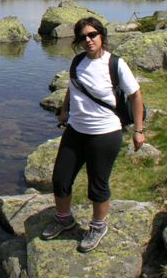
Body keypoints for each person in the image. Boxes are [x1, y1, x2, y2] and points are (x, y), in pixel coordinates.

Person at [41, 16, 145, 252]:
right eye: (83, 37)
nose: (88, 40)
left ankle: (98, 226)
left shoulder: (116, 64)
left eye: (92, 35)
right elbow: (73, 87)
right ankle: (64, 218)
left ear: (101, 36)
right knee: (60, 178)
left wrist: (138, 130)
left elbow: (135, 95)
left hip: (105, 133)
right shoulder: (77, 61)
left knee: (97, 185)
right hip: (75, 130)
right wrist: (65, 110)